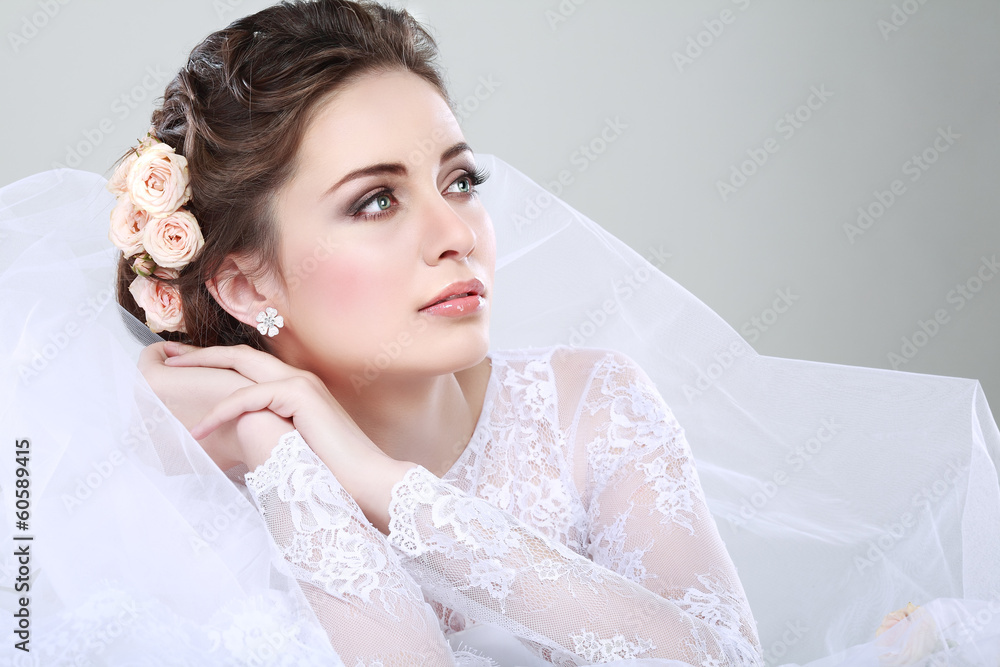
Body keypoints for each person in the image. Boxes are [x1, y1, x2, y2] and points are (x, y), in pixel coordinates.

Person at [1, 1, 998, 666]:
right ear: (242, 278)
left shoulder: (587, 406)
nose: (456, 233)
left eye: (458, 180)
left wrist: (381, 482)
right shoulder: (187, 472)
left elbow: (720, 664)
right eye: (376, 201)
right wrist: (281, 451)